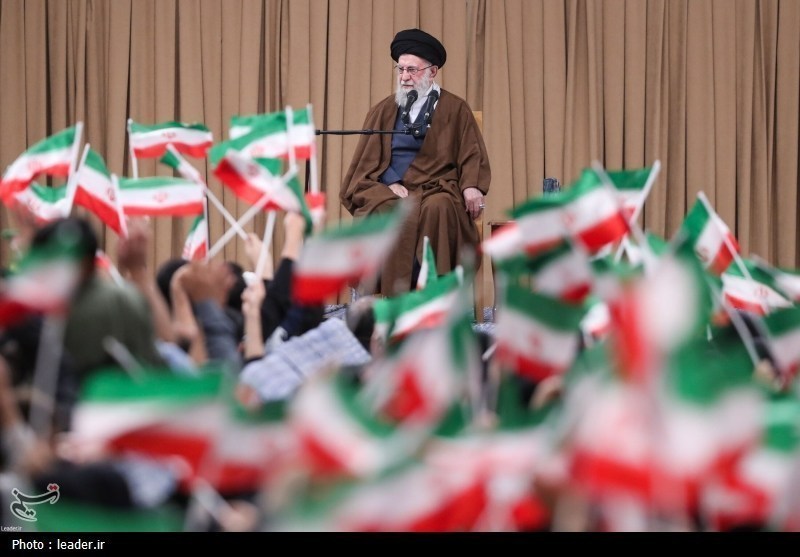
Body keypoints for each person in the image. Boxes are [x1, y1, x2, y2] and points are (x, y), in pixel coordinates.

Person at [340, 28, 491, 296]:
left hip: (437, 187)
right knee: (382, 207)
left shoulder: (455, 108)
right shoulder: (383, 110)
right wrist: (390, 181)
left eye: (412, 70)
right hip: (391, 188)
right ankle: (391, 295)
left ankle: (434, 294)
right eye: (401, 69)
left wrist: (471, 185)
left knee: (438, 208)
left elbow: (471, 152)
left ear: (432, 72)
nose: (404, 77)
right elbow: (367, 161)